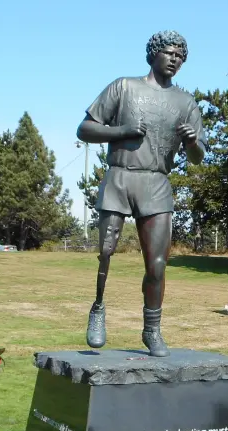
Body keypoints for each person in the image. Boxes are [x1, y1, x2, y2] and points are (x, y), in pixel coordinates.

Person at [75, 30, 207, 357]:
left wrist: (192, 141)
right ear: (153, 54)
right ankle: (98, 308)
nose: (175, 59)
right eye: (170, 53)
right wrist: (121, 131)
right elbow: (85, 129)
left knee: (157, 264)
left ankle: (152, 329)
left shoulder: (186, 103)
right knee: (105, 252)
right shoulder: (124, 87)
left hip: (157, 183)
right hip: (120, 177)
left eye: (180, 55)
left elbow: (198, 155)